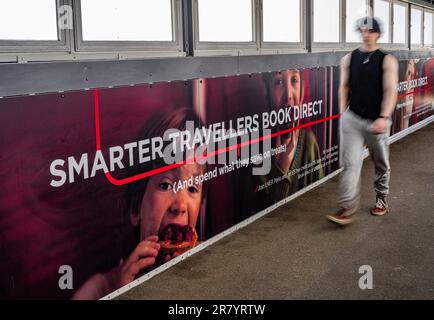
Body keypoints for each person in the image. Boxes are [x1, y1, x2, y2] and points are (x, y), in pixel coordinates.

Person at [72, 107, 207, 299]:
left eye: (192, 188)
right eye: (165, 185)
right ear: (136, 207)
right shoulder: (98, 290)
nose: (180, 205)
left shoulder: (210, 261)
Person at [327, 16, 398, 226]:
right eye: (362, 31)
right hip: (353, 119)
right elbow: (344, 87)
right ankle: (347, 208)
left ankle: (381, 198)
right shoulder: (348, 58)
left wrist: (383, 117)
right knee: (350, 164)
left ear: (377, 34)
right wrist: (343, 114)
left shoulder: (387, 60)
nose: (365, 34)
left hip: (377, 121)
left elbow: (390, 91)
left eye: (370, 31)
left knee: (381, 163)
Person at [237, 69, 324, 218]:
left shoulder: (309, 142)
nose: (288, 95)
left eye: (294, 81)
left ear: (302, 92)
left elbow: (321, 199)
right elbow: (257, 221)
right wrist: (281, 170)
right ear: (267, 92)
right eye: (278, 82)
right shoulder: (255, 150)